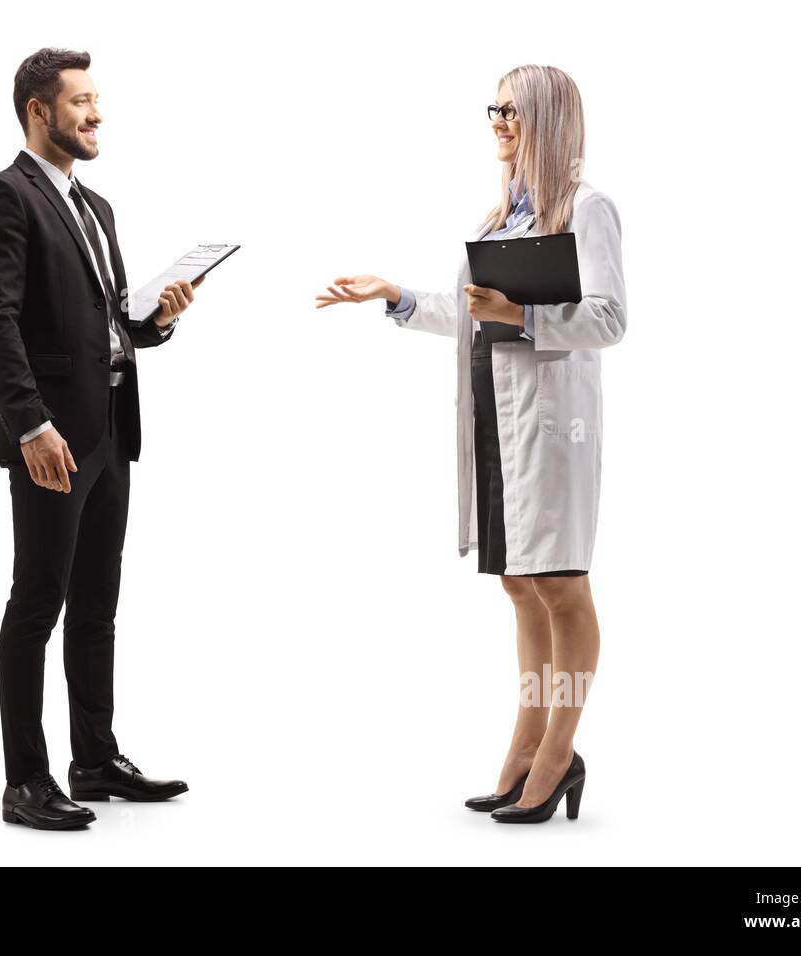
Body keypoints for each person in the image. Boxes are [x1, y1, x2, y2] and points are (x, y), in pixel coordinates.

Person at [315, 65, 625, 824]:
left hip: (552, 430)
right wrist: (396, 297)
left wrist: (522, 317)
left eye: (512, 111)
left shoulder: (587, 209)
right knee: (519, 586)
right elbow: (471, 318)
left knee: (560, 586)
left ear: (549, 118)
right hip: (495, 420)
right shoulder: (499, 218)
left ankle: (559, 749)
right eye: (493, 109)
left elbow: (611, 319)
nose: (498, 122)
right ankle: (527, 742)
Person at [0, 47, 199, 830]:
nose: (96, 115)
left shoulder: (96, 208)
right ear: (40, 111)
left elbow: (108, 324)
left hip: (110, 430)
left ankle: (93, 760)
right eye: (81, 102)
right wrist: (29, 423)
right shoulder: (2, 196)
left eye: (97, 101)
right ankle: (24, 781)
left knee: (97, 605)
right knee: (38, 601)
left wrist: (155, 322)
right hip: (53, 437)